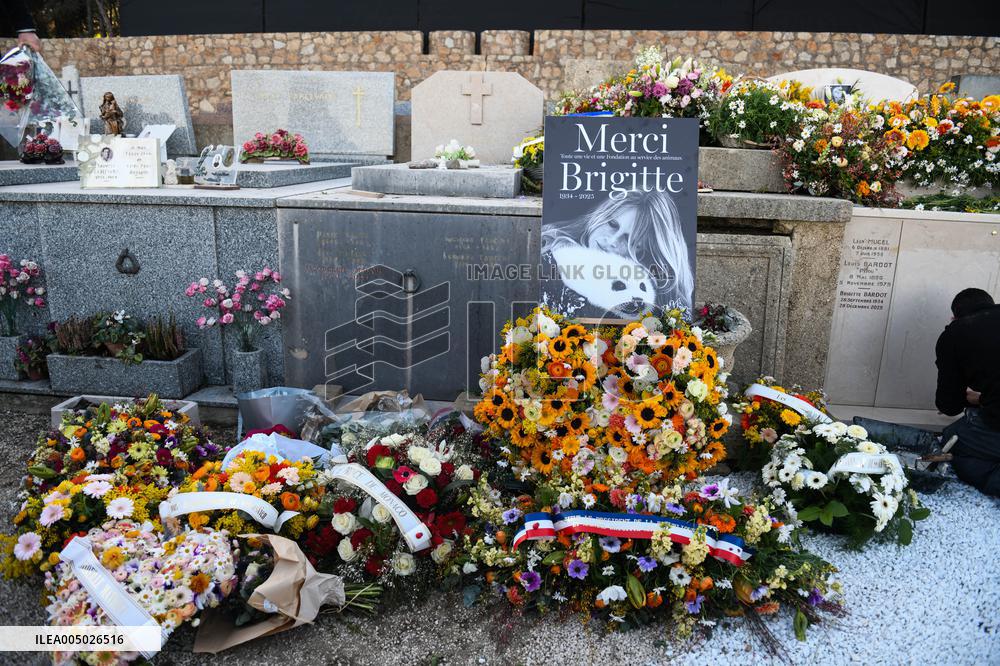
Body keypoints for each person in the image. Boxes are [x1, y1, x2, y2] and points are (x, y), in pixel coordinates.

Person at [541, 189, 695, 318]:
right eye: (612, 224)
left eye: (629, 239)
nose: (613, 240)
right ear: (600, 215)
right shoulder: (550, 251)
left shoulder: (645, 288)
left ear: (643, 251)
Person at [935, 287, 1000, 497]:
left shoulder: (955, 333)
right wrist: (983, 399)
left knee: (950, 440)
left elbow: (948, 405)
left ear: (955, 317)